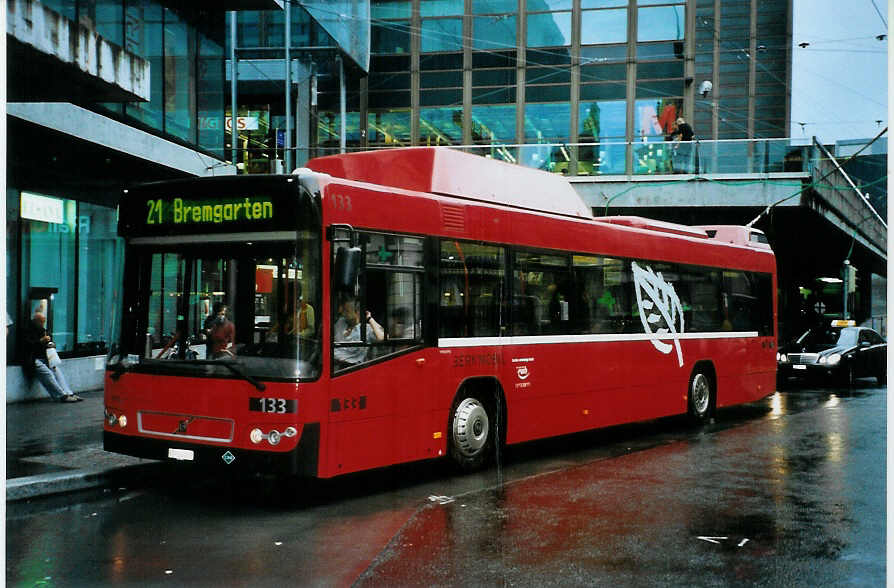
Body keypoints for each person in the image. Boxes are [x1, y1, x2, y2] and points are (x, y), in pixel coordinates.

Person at [23, 312, 82, 402]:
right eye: (41, 322)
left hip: (44, 358)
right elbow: (27, 346)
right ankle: (61, 396)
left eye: (43, 321)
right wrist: (40, 341)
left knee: (57, 372)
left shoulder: (43, 330)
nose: (42, 324)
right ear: (35, 321)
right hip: (32, 359)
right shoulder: (27, 331)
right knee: (48, 374)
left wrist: (51, 344)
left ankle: (68, 393)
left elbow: (48, 344)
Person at [333, 297, 384, 366]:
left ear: (357, 312)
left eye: (347, 311)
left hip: (351, 367)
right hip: (333, 364)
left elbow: (382, 337)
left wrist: (369, 318)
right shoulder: (340, 322)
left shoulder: (366, 329)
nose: (344, 314)